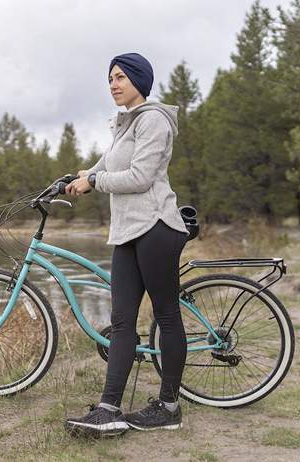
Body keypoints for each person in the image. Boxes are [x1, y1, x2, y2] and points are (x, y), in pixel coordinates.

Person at [62, 52, 191, 438]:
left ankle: (169, 407)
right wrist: (79, 177)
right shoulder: (124, 125)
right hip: (127, 233)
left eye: (120, 77)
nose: (113, 84)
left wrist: (95, 182)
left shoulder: (152, 120)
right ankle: (108, 409)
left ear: (139, 80)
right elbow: (103, 166)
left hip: (155, 226)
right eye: (110, 79)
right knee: (122, 322)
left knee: (166, 316)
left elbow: (139, 176)